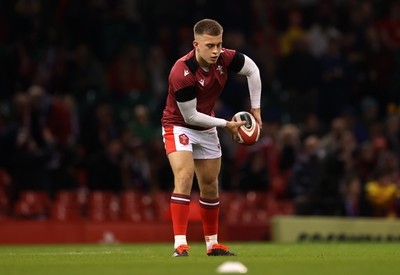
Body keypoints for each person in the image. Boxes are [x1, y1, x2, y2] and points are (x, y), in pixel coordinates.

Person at [161, 19, 262, 257]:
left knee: (210, 184)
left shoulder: (225, 58)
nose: (216, 51)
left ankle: (212, 244)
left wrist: (255, 108)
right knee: (184, 176)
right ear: (196, 44)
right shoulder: (181, 71)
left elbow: (253, 70)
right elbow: (191, 116)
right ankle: (179, 244)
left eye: (219, 44)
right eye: (210, 46)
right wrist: (226, 124)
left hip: (206, 125)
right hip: (179, 125)